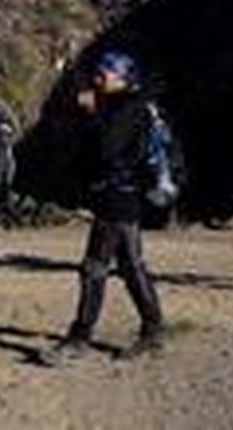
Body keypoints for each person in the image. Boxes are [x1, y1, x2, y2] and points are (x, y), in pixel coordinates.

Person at [40, 51, 166, 366]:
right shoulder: (125, 104)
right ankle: (153, 331)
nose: (98, 78)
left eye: (105, 73)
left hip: (118, 198)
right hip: (120, 196)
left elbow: (108, 147)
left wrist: (93, 111)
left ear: (123, 77)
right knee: (131, 265)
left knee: (94, 268)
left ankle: (79, 338)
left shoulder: (129, 108)